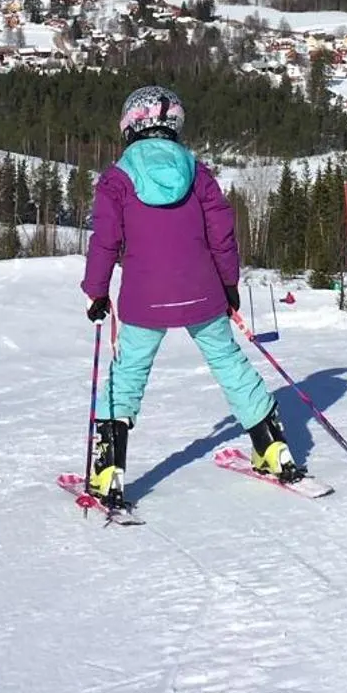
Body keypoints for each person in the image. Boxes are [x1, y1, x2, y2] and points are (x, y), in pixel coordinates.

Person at [81, 84, 302, 510]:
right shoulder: (197, 173)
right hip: (202, 292)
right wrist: (229, 283)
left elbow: (105, 240)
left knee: (128, 375)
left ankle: (108, 470)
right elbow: (222, 232)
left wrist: (97, 291)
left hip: (145, 298)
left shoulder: (117, 179)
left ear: (129, 126)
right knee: (229, 363)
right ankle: (273, 447)